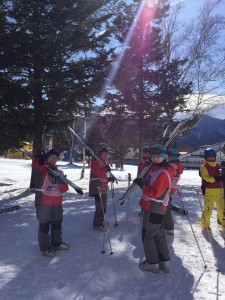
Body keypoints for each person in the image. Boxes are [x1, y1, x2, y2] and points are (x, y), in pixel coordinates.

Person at [134, 144, 174, 273]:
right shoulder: (155, 169)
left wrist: (142, 186)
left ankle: (152, 263)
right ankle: (164, 262)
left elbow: (155, 192)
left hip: (155, 208)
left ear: (164, 156)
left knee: (148, 235)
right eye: (153, 156)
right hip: (152, 207)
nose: (155, 158)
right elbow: (151, 183)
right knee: (159, 234)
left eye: (158, 156)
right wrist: (144, 182)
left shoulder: (164, 172)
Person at [30, 149, 70, 257]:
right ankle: (45, 249)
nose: (54, 159)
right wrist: (40, 159)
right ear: (47, 158)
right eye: (51, 157)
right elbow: (35, 164)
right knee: (44, 226)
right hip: (44, 202)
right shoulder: (42, 169)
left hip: (57, 202)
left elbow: (65, 189)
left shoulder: (59, 172)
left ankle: (56, 243)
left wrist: (61, 182)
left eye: (56, 158)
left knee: (57, 224)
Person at [199, 148, 225, 231]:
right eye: (209, 156)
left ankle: (222, 223)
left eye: (213, 156)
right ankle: (205, 225)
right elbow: (206, 178)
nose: (211, 158)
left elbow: (222, 175)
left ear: (215, 156)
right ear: (205, 157)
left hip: (220, 190)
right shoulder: (204, 167)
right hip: (209, 190)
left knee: (222, 208)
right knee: (208, 209)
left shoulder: (218, 165)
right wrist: (217, 178)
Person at [89, 147, 113, 231]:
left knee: (104, 205)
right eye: (104, 153)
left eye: (107, 154)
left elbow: (104, 175)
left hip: (103, 187)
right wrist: (106, 167)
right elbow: (99, 173)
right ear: (100, 154)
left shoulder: (103, 162)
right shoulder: (95, 161)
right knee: (99, 206)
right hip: (96, 187)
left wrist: (109, 178)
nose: (106, 155)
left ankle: (101, 220)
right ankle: (97, 224)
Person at [164, 147, 183, 235]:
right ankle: (167, 226)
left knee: (166, 208)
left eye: (168, 156)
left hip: (167, 187)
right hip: (172, 187)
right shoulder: (178, 165)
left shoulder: (171, 165)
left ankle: (169, 227)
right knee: (166, 206)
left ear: (171, 156)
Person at [137, 146, 151, 216]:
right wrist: (138, 178)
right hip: (143, 180)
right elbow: (139, 169)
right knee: (144, 195)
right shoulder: (142, 160)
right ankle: (143, 210)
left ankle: (148, 210)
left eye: (147, 153)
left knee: (149, 195)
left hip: (149, 180)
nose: (146, 154)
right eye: (145, 153)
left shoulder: (151, 160)